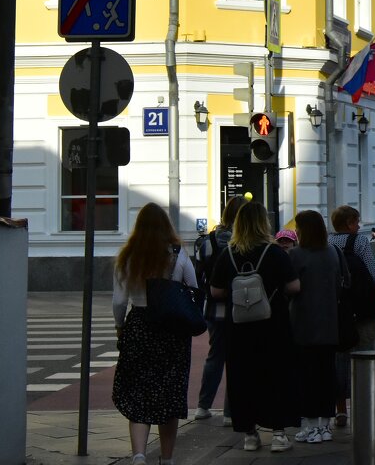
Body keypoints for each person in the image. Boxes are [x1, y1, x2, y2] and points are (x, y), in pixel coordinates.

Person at [210, 201, 300, 453]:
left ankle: (250, 434)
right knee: (276, 376)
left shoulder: (228, 254)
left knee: (243, 378)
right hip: (273, 326)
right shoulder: (275, 253)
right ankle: (279, 434)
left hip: (238, 328)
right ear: (264, 223)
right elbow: (294, 286)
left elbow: (216, 290)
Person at [112, 203, 197, 465]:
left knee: (139, 393)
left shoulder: (128, 256)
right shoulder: (177, 253)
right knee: (169, 395)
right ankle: (167, 458)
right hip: (171, 330)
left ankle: (138, 455)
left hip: (139, 327)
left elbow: (118, 301)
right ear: (165, 226)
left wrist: (120, 327)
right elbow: (193, 287)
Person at [287, 210, 342, 445]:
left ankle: (310, 426)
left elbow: (290, 288)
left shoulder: (296, 255)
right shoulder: (332, 252)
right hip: (330, 323)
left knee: (306, 377)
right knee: (326, 376)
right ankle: (324, 425)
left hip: (304, 324)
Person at [328, 205, 375, 428]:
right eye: (357, 222)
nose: (359, 226)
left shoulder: (328, 243)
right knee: (364, 357)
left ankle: (340, 410)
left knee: (339, 358)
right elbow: (372, 273)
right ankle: (363, 407)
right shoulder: (359, 242)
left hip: (338, 311)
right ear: (349, 223)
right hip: (362, 310)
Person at [193, 198, 240, 424]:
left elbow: (198, 272)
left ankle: (203, 406)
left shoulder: (208, 241)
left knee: (215, 355)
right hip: (241, 306)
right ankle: (230, 412)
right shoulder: (243, 242)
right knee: (236, 358)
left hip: (213, 306)